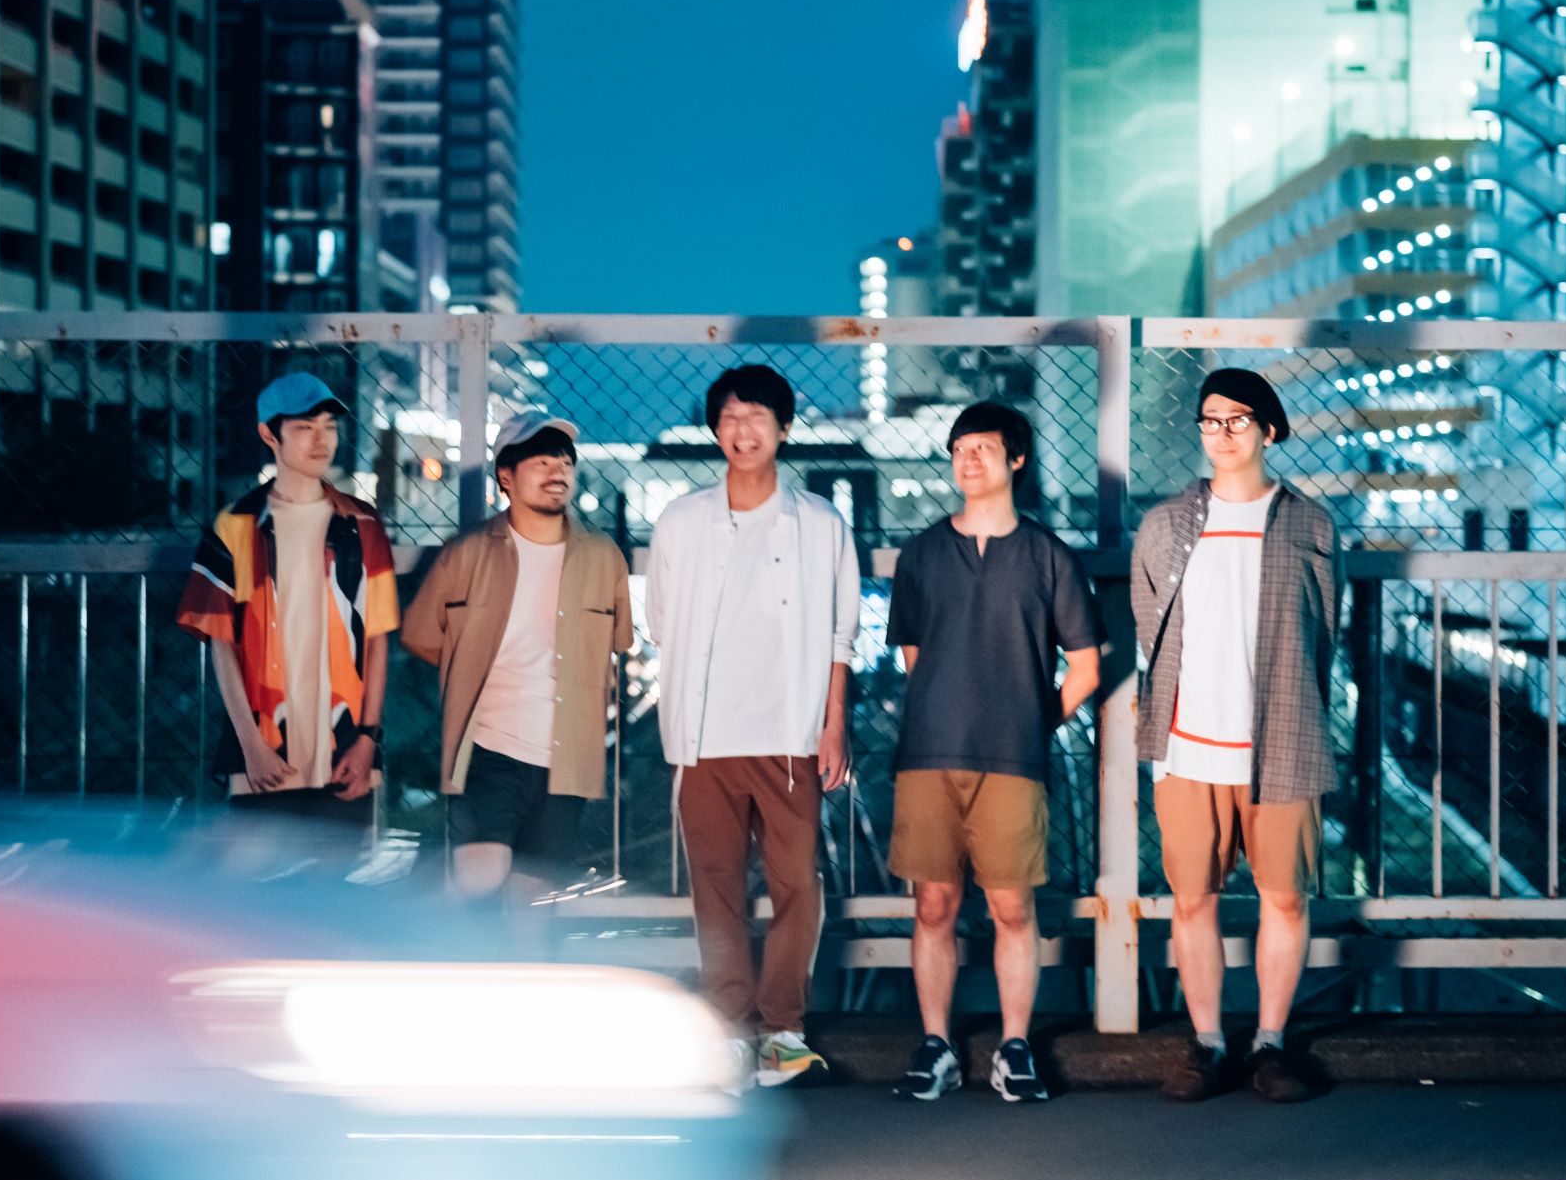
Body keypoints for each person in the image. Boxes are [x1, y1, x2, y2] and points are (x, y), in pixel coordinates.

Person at [1131, 367, 1343, 1104]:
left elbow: (1324, 628)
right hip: (1188, 745)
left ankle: (1270, 1043)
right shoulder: (1164, 524)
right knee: (1192, 900)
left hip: (1282, 739)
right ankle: (1207, 1043)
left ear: (1268, 430)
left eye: (1237, 419)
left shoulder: (1310, 523)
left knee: (1285, 898)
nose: (1221, 433)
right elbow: (1150, 629)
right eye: (1210, 420)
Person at [885, 401, 1103, 1103]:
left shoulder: (1049, 556)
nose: (968, 460)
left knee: (1012, 907)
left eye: (982, 447)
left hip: (1013, 758)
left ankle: (1014, 1047)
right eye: (958, 449)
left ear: (1016, 459)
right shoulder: (921, 554)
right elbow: (915, 657)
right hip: (928, 753)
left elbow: (1086, 667)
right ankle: (936, 1046)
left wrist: (1032, 724)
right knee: (932, 906)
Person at [648, 364, 859, 1089]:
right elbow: (661, 621)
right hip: (703, 736)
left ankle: (783, 1030)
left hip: (789, 734)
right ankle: (730, 1029)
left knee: (798, 882)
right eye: (730, 418)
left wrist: (833, 724)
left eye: (758, 417)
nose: (743, 431)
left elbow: (840, 636)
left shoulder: (820, 523)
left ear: (784, 428)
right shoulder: (681, 520)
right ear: (715, 430)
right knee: (715, 888)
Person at [402, 413, 633, 899]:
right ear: (506, 475)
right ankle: (411, 933)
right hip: (486, 747)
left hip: (567, 755)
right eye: (541, 461)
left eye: (565, 462)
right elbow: (421, 634)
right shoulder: (467, 552)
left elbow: (616, 643)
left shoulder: (602, 555)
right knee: (478, 873)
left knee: (532, 900)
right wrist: (470, 672)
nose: (558, 471)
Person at [176, 371, 395, 824]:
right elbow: (221, 644)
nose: (322, 440)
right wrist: (250, 745)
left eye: (329, 427)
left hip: (345, 750)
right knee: (254, 869)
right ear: (268, 434)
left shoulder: (362, 523)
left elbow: (377, 639)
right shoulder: (236, 524)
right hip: (265, 751)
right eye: (304, 427)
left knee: (342, 869)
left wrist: (367, 739)